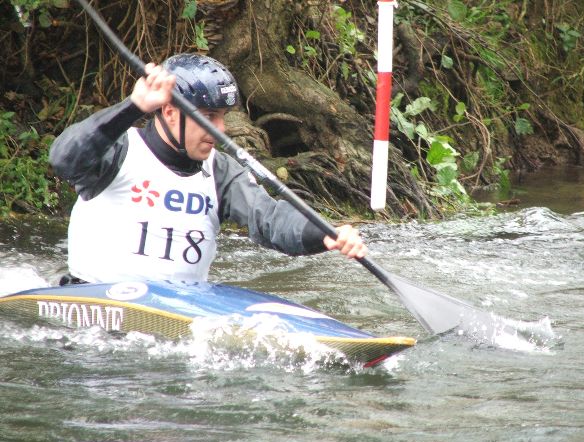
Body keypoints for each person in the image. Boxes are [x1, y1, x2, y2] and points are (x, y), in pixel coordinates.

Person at [49, 53, 367, 285]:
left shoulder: (222, 173)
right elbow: (64, 159)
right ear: (170, 112)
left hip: (180, 309)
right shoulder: (119, 152)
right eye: (210, 116)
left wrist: (324, 234)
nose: (220, 129)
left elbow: (269, 219)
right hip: (96, 302)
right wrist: (134, 107)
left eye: (224, 116)